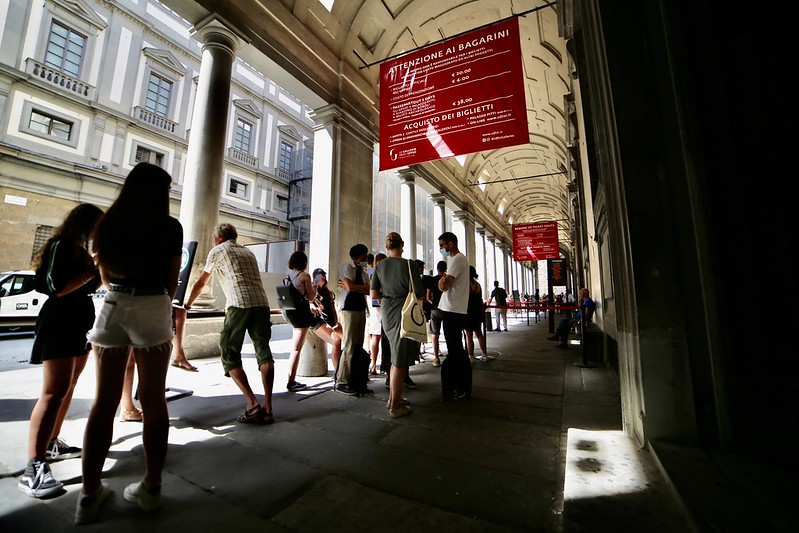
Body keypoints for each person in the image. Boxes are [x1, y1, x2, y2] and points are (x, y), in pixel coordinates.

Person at [78, 163, 182, 524]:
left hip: (114, 304)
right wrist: (158, 304)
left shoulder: (108, 224)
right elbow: (172, 281)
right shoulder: (170, 227)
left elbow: (103, 275)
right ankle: (151, 488)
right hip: (153, 304)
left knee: (103, 402)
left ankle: (89, 495)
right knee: (154, 400)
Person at [18, 203, 103, 499]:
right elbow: (55, 287)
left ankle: (52, 442)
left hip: (80, 322)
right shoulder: (60, 245)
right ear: (84, 223)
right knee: (53, 392)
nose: (98, 230)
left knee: (68, 387)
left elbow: (94, 285)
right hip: (59, 321)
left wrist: (98, 264)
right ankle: (34, 467)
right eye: (97, 225)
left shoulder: (81, 249)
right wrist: (88, 273)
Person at [185, 223, 280, 421]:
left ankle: (252, 403)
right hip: (261, 304)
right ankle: (268, 408)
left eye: (213, 237)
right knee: (264, 351)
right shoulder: (248, 252)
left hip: (239, 304)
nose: (212, 240)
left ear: (220, 238)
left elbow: (202, 282)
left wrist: (187, 305)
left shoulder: (218, 251)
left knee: (228, 351)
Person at [370, 232, 425, 418]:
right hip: (405, 311)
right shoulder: (410, 265)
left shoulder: (380, 265)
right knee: (400, 359)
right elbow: (419, 294)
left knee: (395, 353)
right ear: (402, 245)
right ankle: (395, 406)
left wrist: (389, 293)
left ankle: (394, 398)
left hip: (387, 310)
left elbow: (373, 294)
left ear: (387, 247)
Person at [437, 232, 472, 401]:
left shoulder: (457, 259)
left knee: (455, 350)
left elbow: (443, 286)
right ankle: (461, 386)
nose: (441, 249)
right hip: (453, 310)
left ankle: (460, 387)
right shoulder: (457, 260)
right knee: (456, 349)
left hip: (452, 311)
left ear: (450, 244)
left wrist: (442, 281)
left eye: (442, 245)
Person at [277, 250, 316, 392]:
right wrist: (315, 286)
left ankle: (291, 380)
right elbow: (311, 297)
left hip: (290, 312)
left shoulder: (288, 276)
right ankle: (291, 381)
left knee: (295, 348)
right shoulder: (305, 276)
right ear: (304, 262)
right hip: (301, 313)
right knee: (296, 349)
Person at [336, 243, 370, 395]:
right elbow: (349, 287)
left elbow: (369, 289)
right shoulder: (347, 267)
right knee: (349, 344)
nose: (365, 260)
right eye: (363, 258)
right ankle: (342, 380)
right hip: (348, 309)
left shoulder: (363, 272)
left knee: (358, 345)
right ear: (355, 258)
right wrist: (359, 287)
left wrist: (356, 287)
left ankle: (356, 379)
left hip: (361, 308)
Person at [311, 267, 342, 372]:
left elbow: (333, 310)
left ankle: (345, 370)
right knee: (336, 341)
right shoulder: (312, 290)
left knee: (346, 340)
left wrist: (336, 322)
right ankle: (337, 372)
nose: (323, 277)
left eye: (324, 275)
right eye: (320, 276)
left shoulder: (328, 292)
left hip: (330, 321)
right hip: (318, 322)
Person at [464, 266, 489, 363]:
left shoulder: (466, 285)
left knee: (469, 335)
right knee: (479, 334)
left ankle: (471, 356)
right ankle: (484, 354)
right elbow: (480, 299)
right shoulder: (478, 285)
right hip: (477, 312)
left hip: (468, 312)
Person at [367, 253, 386, 374]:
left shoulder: (371, 274)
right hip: (384, 307)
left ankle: (373, 365)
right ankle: (384, 364)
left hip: (374, 308)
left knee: (375, 337)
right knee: (385, 338)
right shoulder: (385, 274)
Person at [425, 260, 446, 367]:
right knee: (448, 333)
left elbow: (428, 297)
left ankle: (436, 358)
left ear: (437, 269)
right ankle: (450, 355)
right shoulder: (447, 280)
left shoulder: (432, 280)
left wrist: (433, 303)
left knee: (435, 334)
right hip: (446, 309)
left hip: (435, 310)